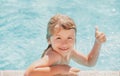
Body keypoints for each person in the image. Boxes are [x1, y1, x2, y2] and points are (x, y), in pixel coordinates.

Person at [24, 14, 106, 76]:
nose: (64, 43)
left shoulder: (70, 51)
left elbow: (89, 62)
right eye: (58, 38)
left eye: (69, 38)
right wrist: (61, 69)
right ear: (49, 40)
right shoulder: (54, 55)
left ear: (75, 39)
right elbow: (28, 73)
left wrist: (97, 43)